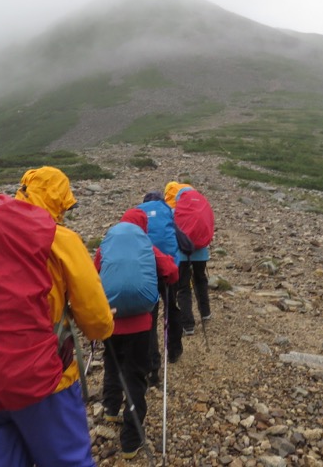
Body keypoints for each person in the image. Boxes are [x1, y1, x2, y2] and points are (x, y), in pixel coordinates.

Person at [0, 166, 115, 467]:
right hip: (43, 377)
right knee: (68, 460)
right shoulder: (58, 238)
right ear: (59, 199)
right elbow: (97, 320)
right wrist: (102, 327)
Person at [94, 208, 178, 460]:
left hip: (110, 320)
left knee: (111, 363)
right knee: (135, 376)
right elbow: (172, 272)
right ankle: (131, 441)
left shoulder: (106, 245)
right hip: (141, 325)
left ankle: (110, 408)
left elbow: (93, 272)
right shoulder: (147, 247)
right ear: (143, 227)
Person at [138, 191, 184, 382]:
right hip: (170, 267)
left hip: (147, 269)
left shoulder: (137, 213)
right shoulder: (169, 212)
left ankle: (152, 366)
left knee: (150, 316)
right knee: (172, 307)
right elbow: (181, 239)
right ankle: (174, 350)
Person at [164, 181, 212, 336]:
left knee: (183, 287)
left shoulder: (174, 211)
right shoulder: (203, 207)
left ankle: (188, 325)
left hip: (183, 254)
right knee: (201, 280)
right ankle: (205, 313)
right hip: (201, 253)